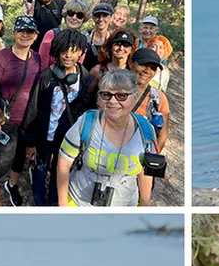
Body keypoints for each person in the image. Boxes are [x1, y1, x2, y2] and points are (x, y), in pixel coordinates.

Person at [57, 68, 156, 207]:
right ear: (98, 98)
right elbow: (63, 163)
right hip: (78, 202)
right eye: (106, 95)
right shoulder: (86, 123)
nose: (113, 101)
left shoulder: (146, 131)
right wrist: (63, 207)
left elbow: (146, 172)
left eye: (121, 96)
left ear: (134, 97)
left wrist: (145, 205)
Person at [0, 15, 42, 207]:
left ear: (36, 36)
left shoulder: (37, 58)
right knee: (3, 163)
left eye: (30, 32)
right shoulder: (0, 59)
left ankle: (13, 185)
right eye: (21, 31)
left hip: (28, 120)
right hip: (7, 121)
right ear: (14, 33)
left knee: (20, 158)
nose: (25, 35)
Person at [20, 29, 92, 206]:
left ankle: (54, 199)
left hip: (68, 138)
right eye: (64, 50)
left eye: (73, 51)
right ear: (57, 50)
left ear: (80, 52)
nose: (68, 55)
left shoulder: (85, 77)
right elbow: (33, 109)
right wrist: (30, 142)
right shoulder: (46, 76)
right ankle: (40, 202)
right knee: (41, 169)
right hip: (46, 136)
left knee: (60, 170)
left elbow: (85, 109)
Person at [131, 47, 172, 153]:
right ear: (131, 63)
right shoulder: (113, 89)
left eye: (153, 68)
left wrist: (151, 160)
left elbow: (162, 135)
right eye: (143, 65)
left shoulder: (159, 98)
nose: (147, 71)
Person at [37, 0, 90, 70]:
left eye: (79, 15)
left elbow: (77, 67)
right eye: (70, 13)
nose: (74, 18)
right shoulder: (52, 35)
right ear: (65, 15)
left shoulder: (83, 40)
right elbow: (42, 65)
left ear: (84, 19)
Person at [137, 15, 174, 89]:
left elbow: (162, 76)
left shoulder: (161, 49)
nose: (147, 31)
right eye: (145, 27)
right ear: (141, 29)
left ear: (155, 31)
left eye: (151, 28)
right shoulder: (135, 43)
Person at [84, 3, 116, 70]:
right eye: (97, 16)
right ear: (93, 18)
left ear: (111, 17)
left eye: (105, 16)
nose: (101, 19)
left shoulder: (113, 40)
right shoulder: (85, 37)